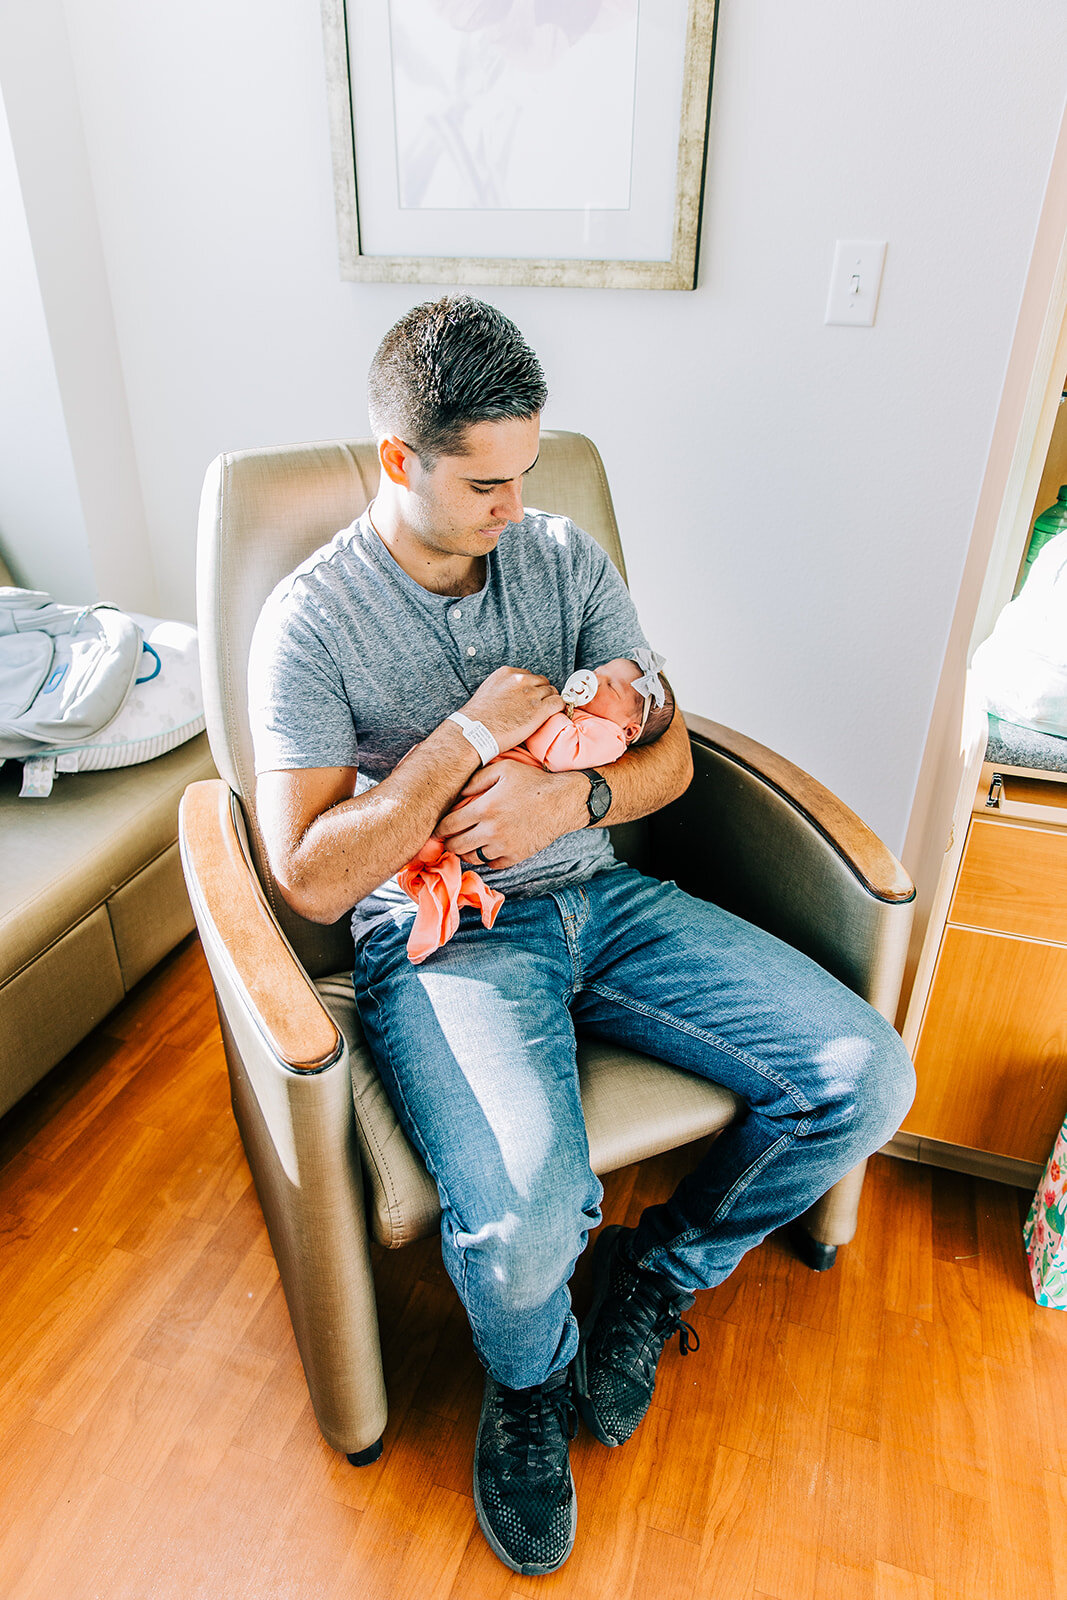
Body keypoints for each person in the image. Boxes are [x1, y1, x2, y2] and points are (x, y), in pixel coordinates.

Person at [248, 295, 915, 1578]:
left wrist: (579, 795)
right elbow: (311, 877)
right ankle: (533, 1375)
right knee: (522, 1221)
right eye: (487, 482)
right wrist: (467, 738)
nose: (517, 505)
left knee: (865, 1076)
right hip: (453, 946)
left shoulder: (559, 558)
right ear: (400, 461)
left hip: (603, 898)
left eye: (528, 468)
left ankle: (655, 1276)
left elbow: (665, 746)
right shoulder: (312, 622)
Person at [398, 655, 675, 963]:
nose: (595, 679)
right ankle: (417, 825)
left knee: (454, 814)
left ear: (630, 730)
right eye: (599, 671)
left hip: (508, 782)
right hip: (498, 767)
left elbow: (561, 753)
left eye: (610, 685)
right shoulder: (581, 713)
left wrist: (547, 709)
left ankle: (428, 859)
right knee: (434, 778)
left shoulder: (609, 737)